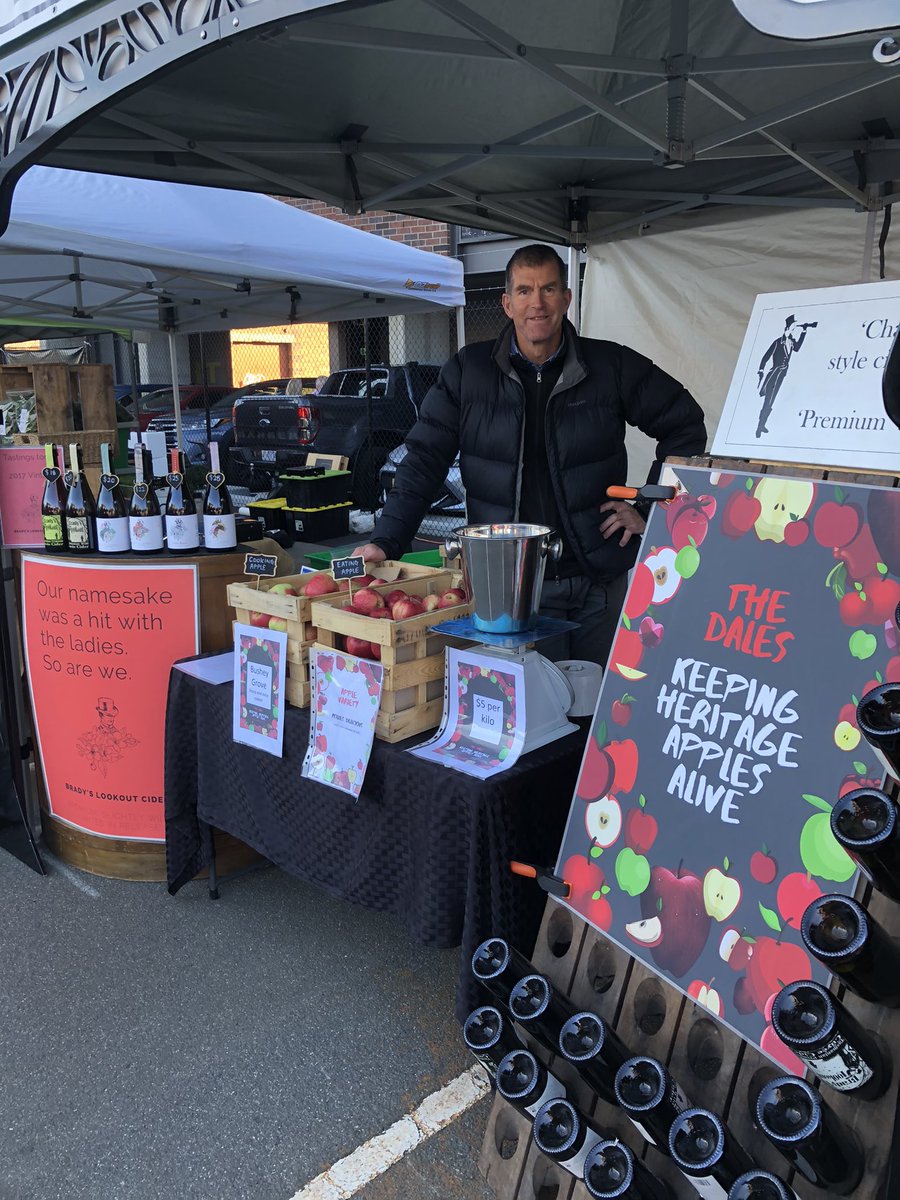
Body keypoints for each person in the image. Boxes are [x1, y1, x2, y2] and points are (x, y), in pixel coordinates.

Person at [355, 244, 707, 665]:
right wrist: (386, 538)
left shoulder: (610, 365)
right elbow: (424, 459)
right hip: (507, 590)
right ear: (506, 303)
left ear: (566, 298)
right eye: (524, 291)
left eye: (548, 289)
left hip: (595, 580)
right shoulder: (469, 371)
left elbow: (685, 424)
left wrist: (649, 511)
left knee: (598, 715)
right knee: (528, 720)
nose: (536, 303)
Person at [756, 314, 816, 437]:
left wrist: (804, 331)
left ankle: (762, 424)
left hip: (782, 375)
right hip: (774, 374)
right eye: (792, 328)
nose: (794, 331)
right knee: (769, 400)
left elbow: (798, 348)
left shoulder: (791, 342)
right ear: (787, 328)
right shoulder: (778, 342)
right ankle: (760, 426)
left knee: (772, 401)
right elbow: (765, 357)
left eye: (795, 329)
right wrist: (761, 370)